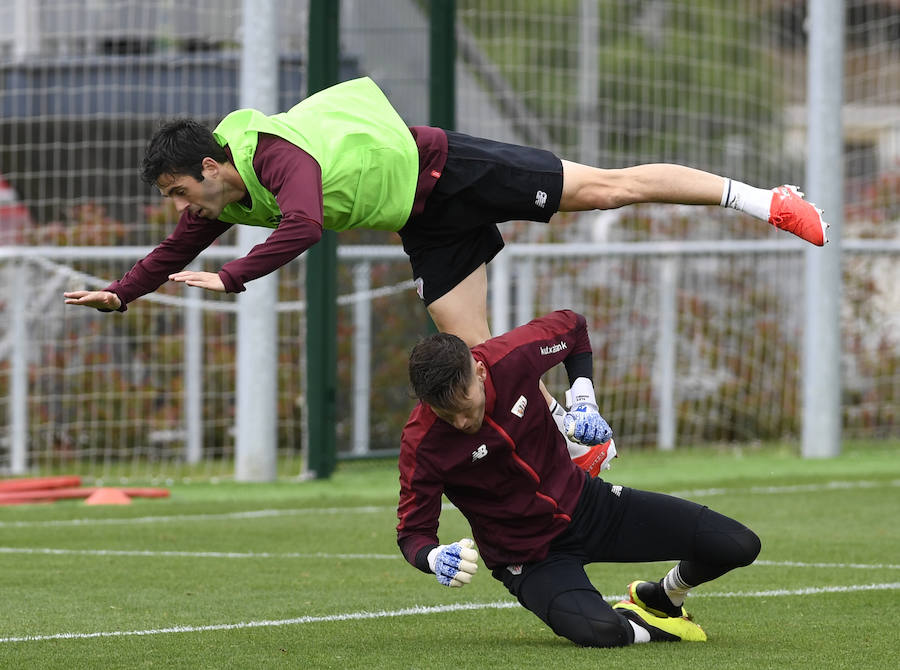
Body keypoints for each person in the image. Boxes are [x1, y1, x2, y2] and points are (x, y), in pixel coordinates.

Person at [62, 76, 826, 467]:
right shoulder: (220, 192)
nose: (179, 210)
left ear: (207, 166)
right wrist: (122, 293)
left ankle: (763, 200)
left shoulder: (266, 154)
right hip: (422, 223)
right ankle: (576, 439)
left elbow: (306, 223)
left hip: (452, 169)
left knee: (607, 190)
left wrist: (233, 279)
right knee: (478, 361)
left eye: (178, 193)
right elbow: (175, 251)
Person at [396, 309, 761, 647]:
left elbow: (573, 326)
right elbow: (413, 533)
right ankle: (645, 625)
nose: (461, 422)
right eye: (446, 414)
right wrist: (433, 557)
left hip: (591, 505)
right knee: (603, 632)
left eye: (466, 405)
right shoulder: (421, 443)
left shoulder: (511, 357)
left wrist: (584, 400)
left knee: (737, 545)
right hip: (529, 556)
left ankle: (662, 597)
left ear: (478, 371)